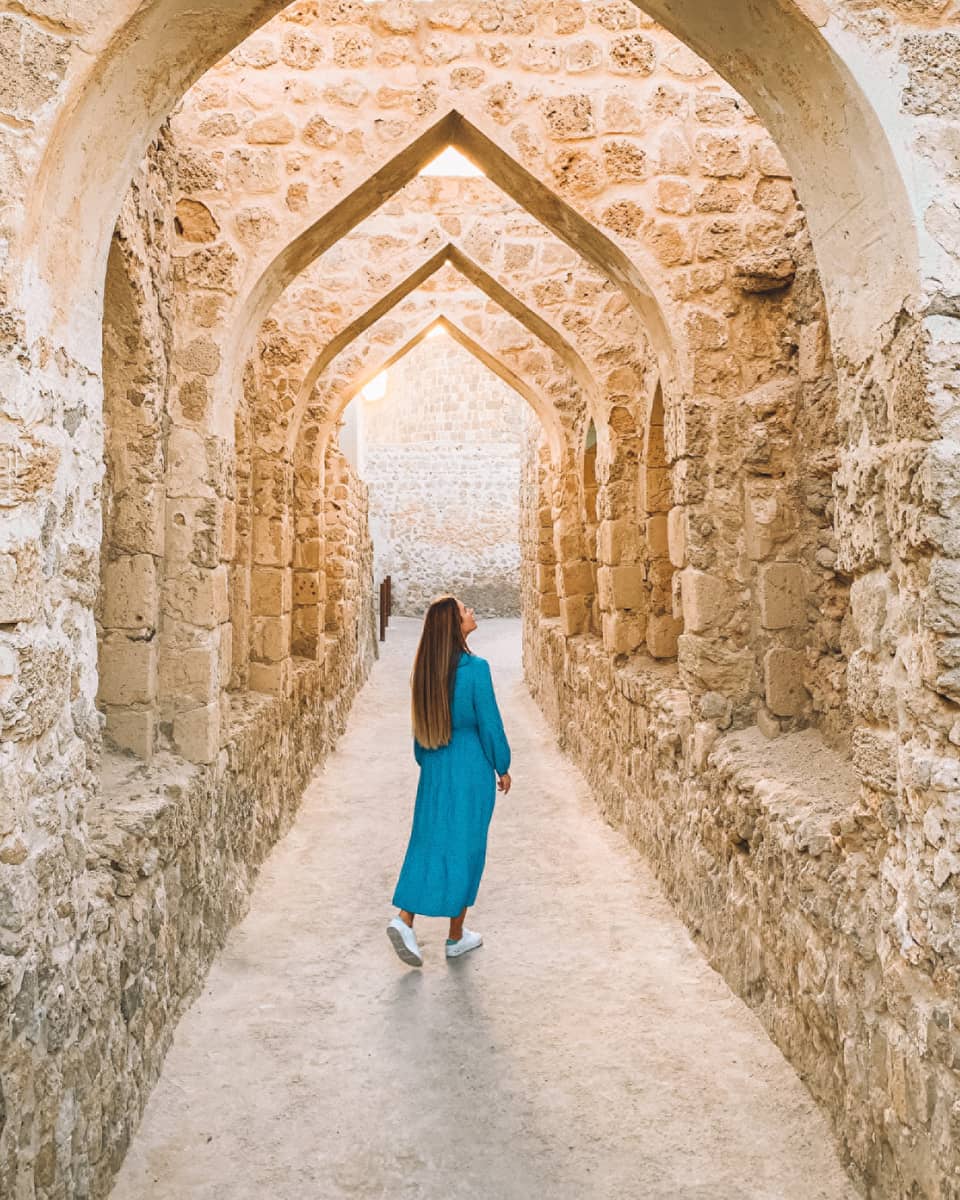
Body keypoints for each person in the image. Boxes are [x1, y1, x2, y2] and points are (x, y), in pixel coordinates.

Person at [387, 594, 512, 966]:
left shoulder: (423, 673)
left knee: (427, 842)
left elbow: (418, 737)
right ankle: (455, 936)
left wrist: (430, 762)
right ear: (454, 627)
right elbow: (490, 723)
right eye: (464, 611)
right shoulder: (476, 669)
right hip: (470, 768)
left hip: (435, 766)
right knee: (467, 848)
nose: (471, 612)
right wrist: (502, 765)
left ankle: (405, 918)